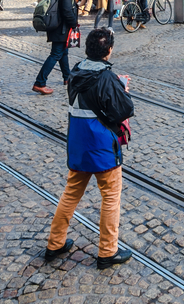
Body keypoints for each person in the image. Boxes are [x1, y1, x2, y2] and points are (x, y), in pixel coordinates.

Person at [44, 28, 135, 270]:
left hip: (78, 142)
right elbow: (123, 110)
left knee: (71, 193)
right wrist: (123, 87)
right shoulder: (107, 78)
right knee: (111, 197)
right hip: (102, 146)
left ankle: (55, 243)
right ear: (109, 50)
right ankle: (107, 251)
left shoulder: (75, 72)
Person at [34, 0, 79, 95]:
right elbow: (67, 12)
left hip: (54, 27)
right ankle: (40, 82)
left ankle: (67, 77)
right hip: (62, 29)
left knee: (63, 53)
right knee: (55, 54)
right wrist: (74, 23)